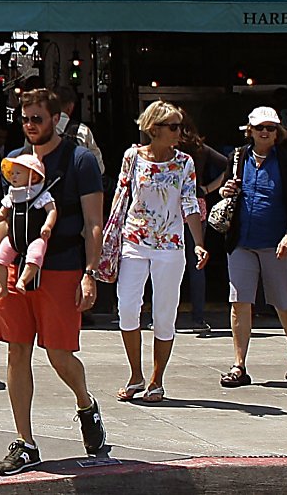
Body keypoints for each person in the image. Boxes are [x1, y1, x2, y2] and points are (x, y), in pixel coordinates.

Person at [0, 87, 109, 477]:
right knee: (16, 351)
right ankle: (26, 442)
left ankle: (86, 404)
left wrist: (90, 274)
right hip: (16, 266)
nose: (30, 125)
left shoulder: (79, 160)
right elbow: (5, 218)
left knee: (58, 354)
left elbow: (93, 223)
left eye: (37, 118)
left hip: (62, 266)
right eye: (24, 119)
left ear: (56, 118)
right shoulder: (14, 162)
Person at [101, 101, 205, 403]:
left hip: (170, 245)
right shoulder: (133, 157)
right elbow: (121, 197)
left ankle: (157, 379)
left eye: (180, 126)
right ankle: (136, 374)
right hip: (134, 241)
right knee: (128, 308)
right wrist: (109, 238)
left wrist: (199, 242)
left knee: (164, 313)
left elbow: (189, 202)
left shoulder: (184, 162)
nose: (179, 132)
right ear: (154, 128)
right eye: (173, 126)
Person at [217, 104, 287, 387]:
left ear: (278, 132)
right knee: (240, 302)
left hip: (275, 242)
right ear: (250, 131)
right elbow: (225, 189)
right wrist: (224, 191)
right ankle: (239, 364)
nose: (266, 133)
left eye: (271, 128)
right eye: (260, 128)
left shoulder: (286, 161)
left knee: (283, 301)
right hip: (242, 241)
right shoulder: (238, 157)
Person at [179, 122, 229, 337]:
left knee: (170, 263)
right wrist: (208, 189)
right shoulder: (200, 149)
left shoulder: (169, 151)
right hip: (196, 203)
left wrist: (207, 188)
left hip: (170, 206)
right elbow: (230, 166)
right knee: (196, 263)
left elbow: (230, 166)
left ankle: (164, 317)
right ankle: (198, 318)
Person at [0, 150, 60, 291]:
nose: (13, 176)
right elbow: (3, 212)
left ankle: (23, 281)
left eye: (18, 173)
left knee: (35, 256)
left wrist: (47, 226)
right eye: (12, 173)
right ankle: (2, 286)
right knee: (0, 258)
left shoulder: (42, 195)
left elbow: (52, 210)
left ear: (34, 177)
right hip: (14, 239)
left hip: (35, 237)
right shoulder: (12, 195)